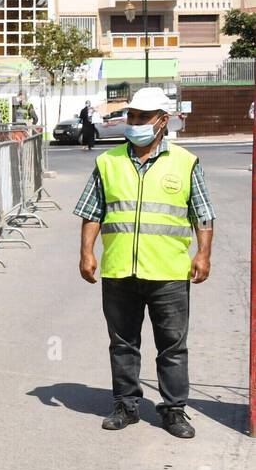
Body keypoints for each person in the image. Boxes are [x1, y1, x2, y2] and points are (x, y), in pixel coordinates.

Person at [74, 87, 213, 439]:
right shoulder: (108, 162)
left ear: (162, 121)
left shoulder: (185, 162)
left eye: (142, 117)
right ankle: (126, 405)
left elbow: (204, 215)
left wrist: (203, 254)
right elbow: (92, 212)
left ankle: (174, 409)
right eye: (131, 116)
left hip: (168, 272)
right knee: (122, 342)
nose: (133, 123)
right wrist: (87, 253)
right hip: (119, 270)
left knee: (172, 345)